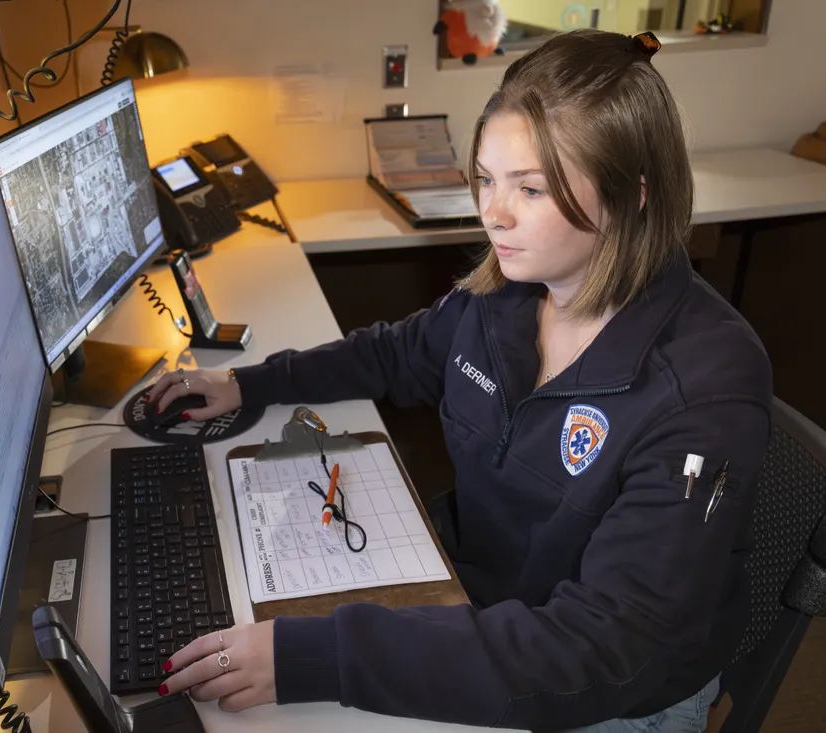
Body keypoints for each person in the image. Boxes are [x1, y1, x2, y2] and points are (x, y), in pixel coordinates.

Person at [146, 28, 772, 733]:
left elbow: (602, 647)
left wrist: (312, 658)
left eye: (530, 188)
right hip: (484, 607)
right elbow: (399, 353)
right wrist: (253, 385)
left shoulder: (706, 385)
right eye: (486, 178)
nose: (493, 213)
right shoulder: (508, 289)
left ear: (633, 195)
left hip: (611, 689)